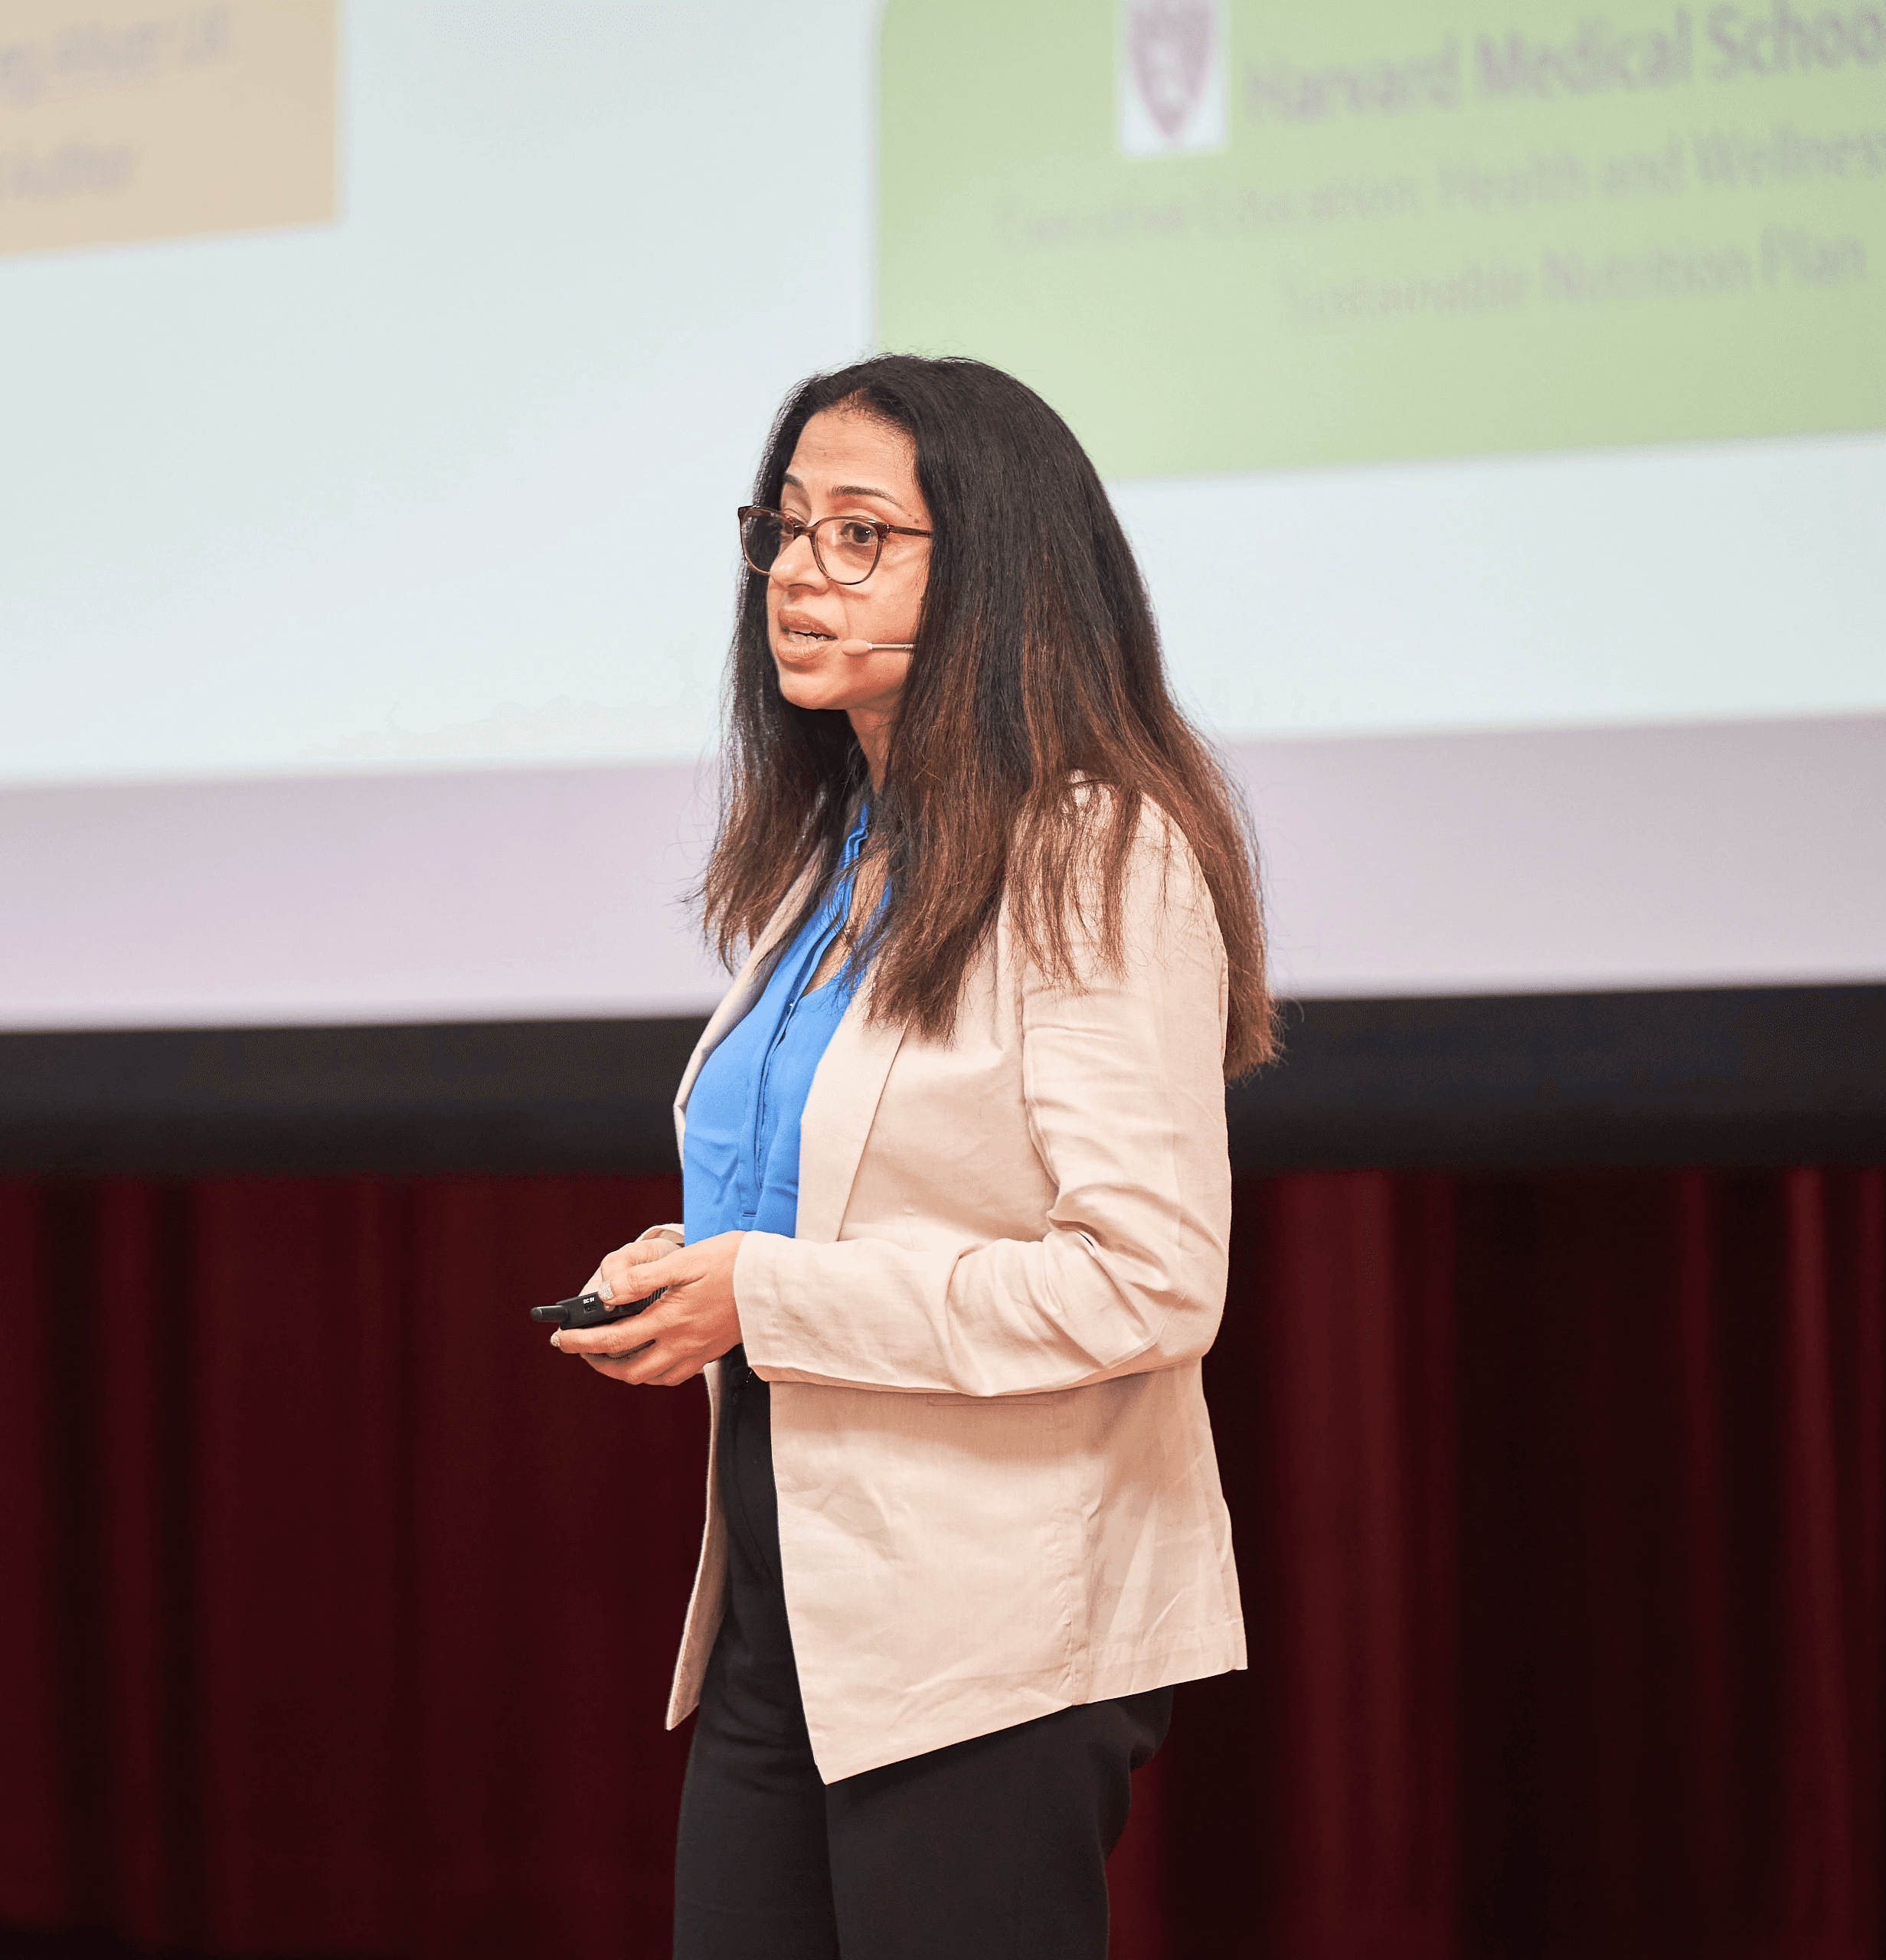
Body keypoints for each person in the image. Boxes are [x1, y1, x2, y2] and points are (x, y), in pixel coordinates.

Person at [550, 354, 1274, 1958]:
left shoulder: (1095, 843)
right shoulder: (841, 857)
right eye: (786, 528)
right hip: (783, 1603)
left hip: (986, 1624)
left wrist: (772, 1294)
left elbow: (1148, 1281)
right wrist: (691, 1266)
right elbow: (836, 1203)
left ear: (998, 570)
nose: (799, 573)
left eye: (861, 533)